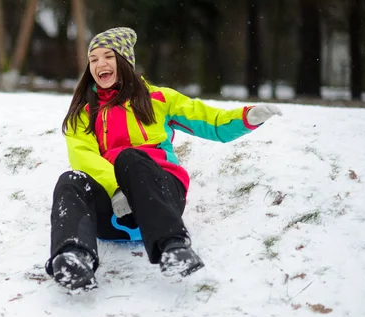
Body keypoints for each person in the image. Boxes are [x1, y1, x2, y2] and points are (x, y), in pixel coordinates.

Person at [44, 27, 282, 291]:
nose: (100, 64)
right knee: (71, 179)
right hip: (115, 215)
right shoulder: (84, 114)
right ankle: (74, 257)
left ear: (124, 60)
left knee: (130, 157)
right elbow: (83, 156)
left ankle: (174, 247)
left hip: (161, 196)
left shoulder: (158, 99)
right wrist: (116, 189)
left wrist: (246, 117)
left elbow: (209, 120)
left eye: (108, 56)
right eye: (94, 59)